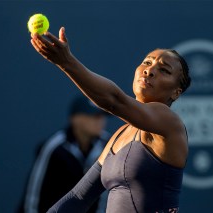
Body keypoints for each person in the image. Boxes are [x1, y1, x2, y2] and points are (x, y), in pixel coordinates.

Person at [29, 26, 191, 213]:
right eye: (147, 62)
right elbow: (78, 197)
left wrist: (67, 62)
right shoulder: (119, 136)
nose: (150, 70)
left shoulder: (169, 123)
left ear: (176, 92)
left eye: (164, 70)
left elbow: (114, 101)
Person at [18, 94, 110, 213]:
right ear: (75, 119)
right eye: (94, 116)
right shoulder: (54, 147)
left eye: (102, 116)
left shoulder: (108, 145)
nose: (100, 121)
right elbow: (33, 197)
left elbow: (106, 195)